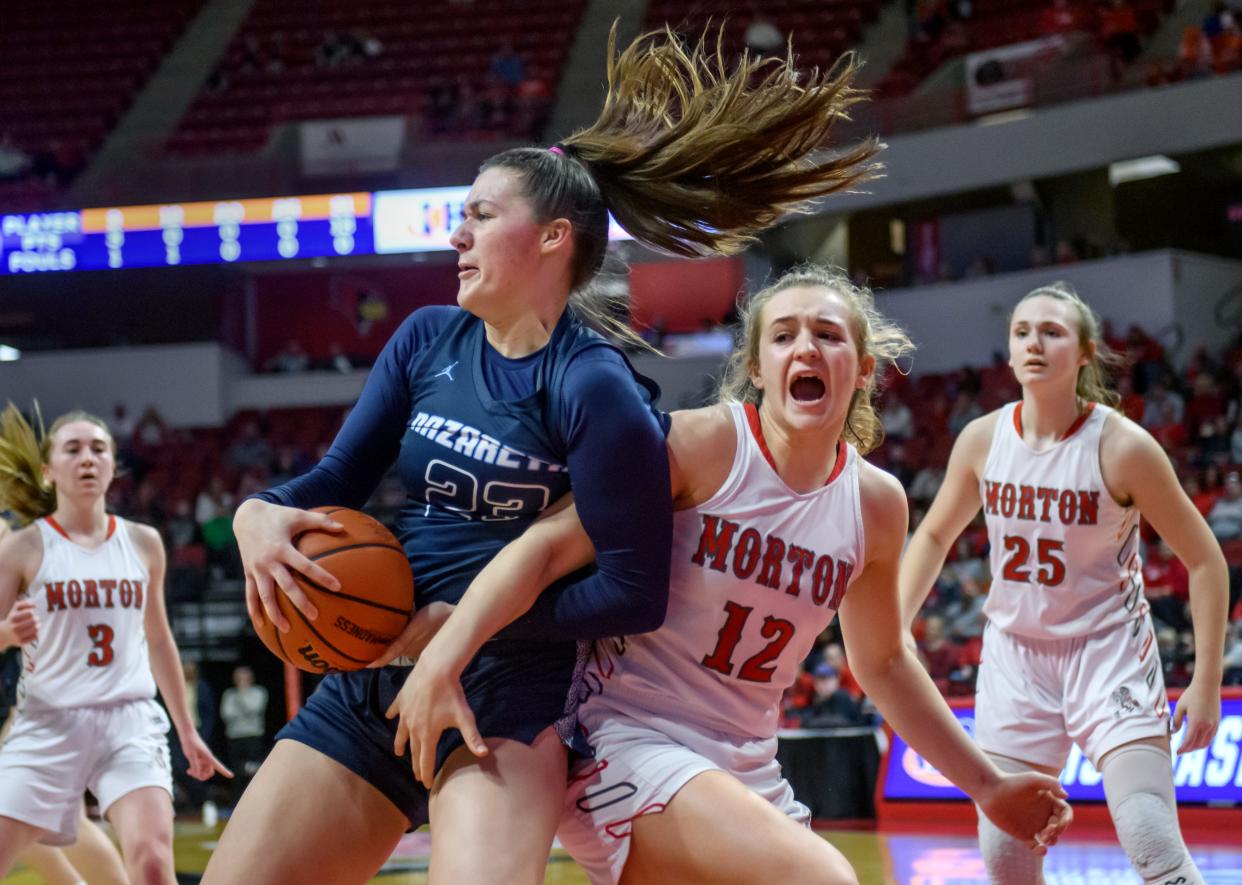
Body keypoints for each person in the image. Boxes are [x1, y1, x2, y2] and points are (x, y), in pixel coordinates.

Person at [204, 25, 882, 885]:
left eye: (482, 215)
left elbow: (631, 594)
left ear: (555, 238)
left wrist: (461, 628)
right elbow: (334, 482)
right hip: (377, 672)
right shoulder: (426, 340)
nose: (459, 235)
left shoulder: (598, 389)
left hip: (515, 697)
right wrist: (257, 514)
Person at [387, 266, 1071, 884]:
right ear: (757, 365)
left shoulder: (877, 503)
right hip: (620, 737)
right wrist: (447, 649)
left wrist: (986, 785)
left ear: (862, 369)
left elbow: (885, 661)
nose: (806, 347)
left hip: (744, 764)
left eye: (828, 334)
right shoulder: (701, 445)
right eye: (783, 336)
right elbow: (544, 547)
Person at [898, 283, 1226, 884]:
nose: (1034, 343)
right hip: (1016, 656)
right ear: (1009, 350)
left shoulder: (1124, 448)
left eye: (1051, 332)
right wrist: (894, 624)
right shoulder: (981, 439)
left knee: (1148, 832)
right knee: (1005, 854)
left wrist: (1206, 682)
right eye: (1022, 331)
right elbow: (934, 536)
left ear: (1084, 352)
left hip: (1108, 650)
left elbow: (1206, 560)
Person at [0, 405, 230, 882]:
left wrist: (186, 730)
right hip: (48, 721)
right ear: (48, 470)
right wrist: (7, 633)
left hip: (129, 720)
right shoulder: (20, 548)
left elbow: (159, 638)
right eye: (73, 449)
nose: (87, 458)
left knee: (150, 863)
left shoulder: (144, 542)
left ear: (112, 466)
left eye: (98, 449)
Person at [219, 665, 268, 805]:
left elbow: (254, 709)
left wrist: (241, 695)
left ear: (250, 678)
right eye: (239, 677)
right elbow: (227, 714)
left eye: (244, 677)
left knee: (253, 770)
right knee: (236, 771)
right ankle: (237, 802)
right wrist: (243, 711)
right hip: (235, 737)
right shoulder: (229, 694)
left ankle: (256, 800)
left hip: (253, 736)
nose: (242, 680)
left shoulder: (258, 692)